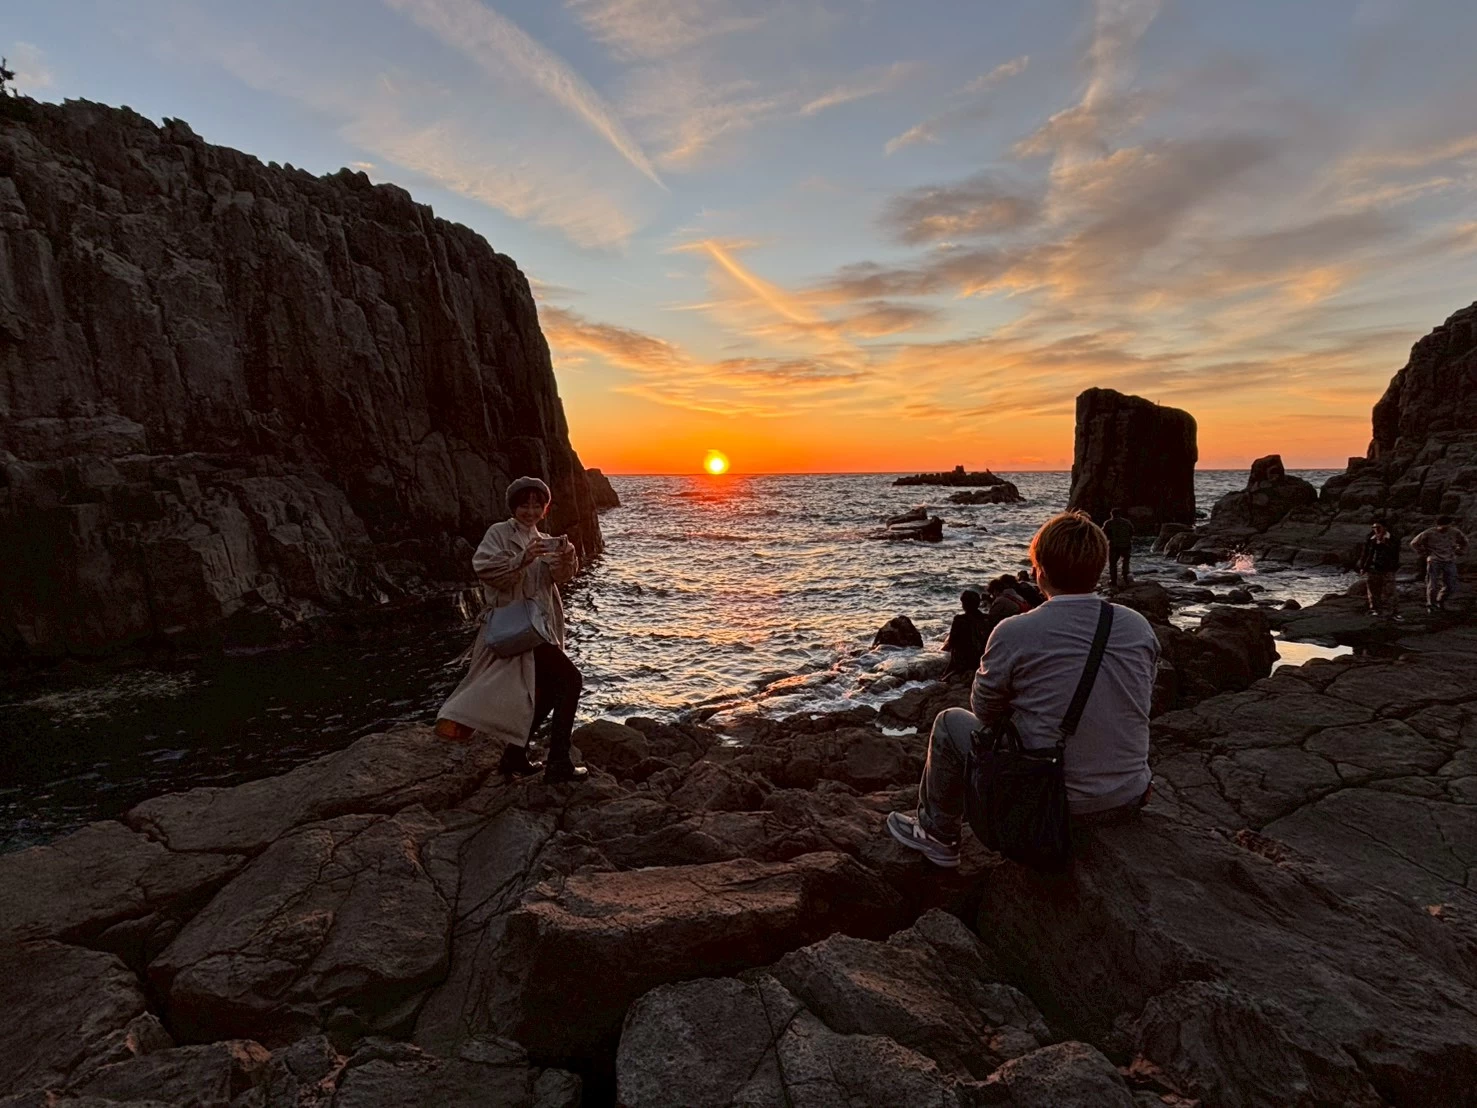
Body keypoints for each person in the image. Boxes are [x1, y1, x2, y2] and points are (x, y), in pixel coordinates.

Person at [887, 511, 1160, 867]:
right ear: (1101, 568)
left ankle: (938, 834)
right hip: (1128, 794)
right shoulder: (1136, 626)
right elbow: (1141, 697)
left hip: (1053, 801)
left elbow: (983, 711)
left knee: (949, 722)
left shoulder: (1016, 631)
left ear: (1039, 570)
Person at [434, 477, 588, 783]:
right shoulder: (499, 533)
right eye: (524, 504)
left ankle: (515, 755)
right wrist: (523, 558)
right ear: (514, 506)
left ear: (544, 509)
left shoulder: (542, 537)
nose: (530, 511)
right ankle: (558, 762)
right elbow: (485, 569)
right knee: (571, 680)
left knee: (546, 693)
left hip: (539, 627)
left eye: (536, 505)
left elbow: (558, 579)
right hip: (517, 627)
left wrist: (566, 557)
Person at [1411, 516, 1469, 611]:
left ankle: (1440, 600)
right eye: (1443, 526)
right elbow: (1414, 543)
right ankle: (1431, 605)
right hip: (1434, 560)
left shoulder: (1455, 532)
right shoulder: (1429, 533)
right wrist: (1425, 554)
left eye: (1447, 526)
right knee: (1432, 585)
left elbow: (1465, 542)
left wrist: (1461, 551)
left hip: (1449, 560)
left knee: (1451, 585)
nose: (1446, 528)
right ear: (1438, 525)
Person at [1356, 520, 1402, 620]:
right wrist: (1363, 567)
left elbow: (1395, 553)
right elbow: (1366, 553)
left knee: (1390, 591)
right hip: (1373, 567)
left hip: (1388, 568)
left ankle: (1392, 611)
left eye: (1378, 527)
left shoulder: (1393, 539)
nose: (1376, 530)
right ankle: (1375, 610)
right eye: (1374, 528)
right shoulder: (1370, 538)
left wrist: (1384, 543)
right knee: (1373, 591)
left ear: (1384, 527)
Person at [942, 590, 992, 678]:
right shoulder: (986, 618)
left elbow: (953, 641)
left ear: (964, 605)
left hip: (965, 658)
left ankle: (947, 674)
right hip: (982, 657)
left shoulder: (959, 619)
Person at [1103, 508, 1135, 589]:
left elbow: (1103, 534)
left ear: (1112, 514)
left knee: (1113, 564)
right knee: (1126, 562)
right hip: (1126, 545)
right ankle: (1125, 578)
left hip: (1114, 546)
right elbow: (1132, 532)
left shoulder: (1109, 523)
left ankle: (1113, 581)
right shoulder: (1127, 522)